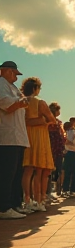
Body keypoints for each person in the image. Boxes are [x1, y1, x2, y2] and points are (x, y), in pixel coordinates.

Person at [21, 77, 56, 212]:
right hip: (40, 137)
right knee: (41, 170)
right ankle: (39, 200)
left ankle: (27, 199)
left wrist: (32, 121)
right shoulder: (40, 102)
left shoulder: (22, 102)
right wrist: (41, 121)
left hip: (26, 136)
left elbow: (24, 121)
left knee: (28, 169)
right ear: (35, 89)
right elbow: (51, 119)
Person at [0, 61, 29, 219]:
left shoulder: (13, 88)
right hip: (7, 137)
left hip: (18, 137)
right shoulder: (1, 84)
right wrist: (20, 103)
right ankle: (4, 207)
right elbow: (6, 105)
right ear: (5, 71)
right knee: (7, 173)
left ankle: (13, 204)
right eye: (13, 73)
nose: (15, 77)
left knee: (16, 173)